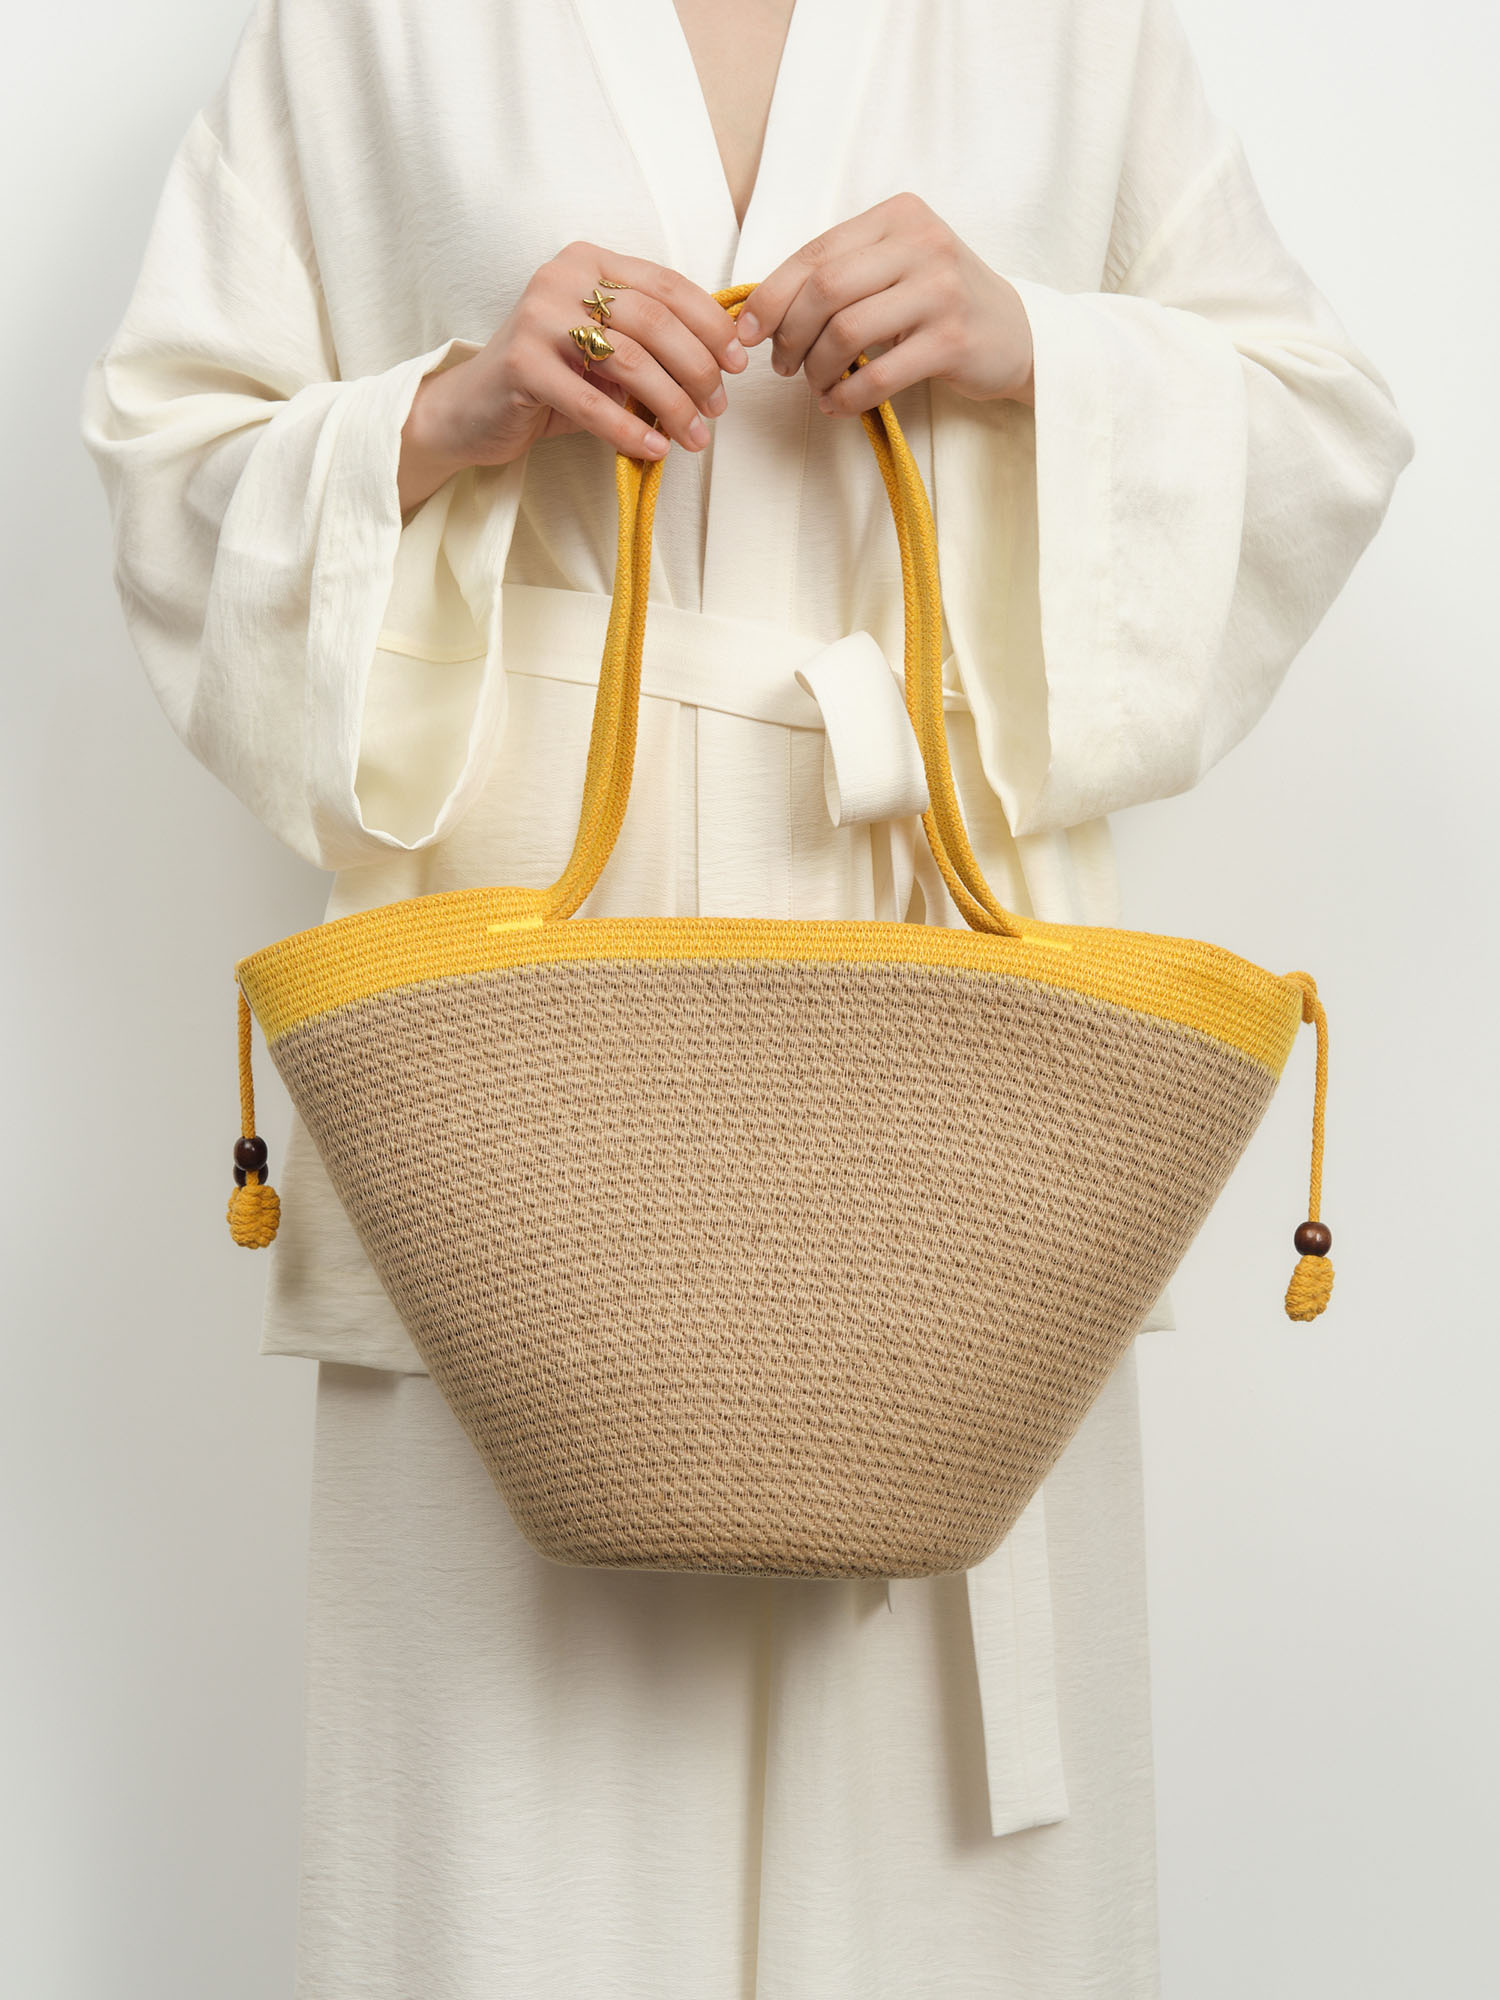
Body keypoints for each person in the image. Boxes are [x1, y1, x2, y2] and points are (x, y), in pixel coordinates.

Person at [80, 0, 1414, 1992]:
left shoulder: (1075, 24)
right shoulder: (375, 20)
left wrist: (1038, 345)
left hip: (952, 1045)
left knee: (944, 1914)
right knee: (508, 1892)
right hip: (510, 1100)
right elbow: (167, 459)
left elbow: (1323, 431)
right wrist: (449, 408)